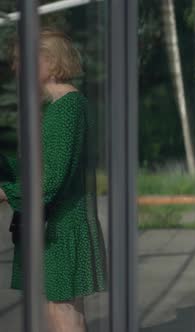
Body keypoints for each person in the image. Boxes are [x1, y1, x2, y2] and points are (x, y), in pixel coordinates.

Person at [0, 29, 106, 332]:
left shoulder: (66, 109)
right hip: (62, 228)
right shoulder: (63, 107)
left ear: (47, 61)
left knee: (63, 312)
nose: (14, 68)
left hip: (62, 230)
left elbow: (49, 182)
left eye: (21, 60)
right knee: (61, 309)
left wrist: (4, 193)